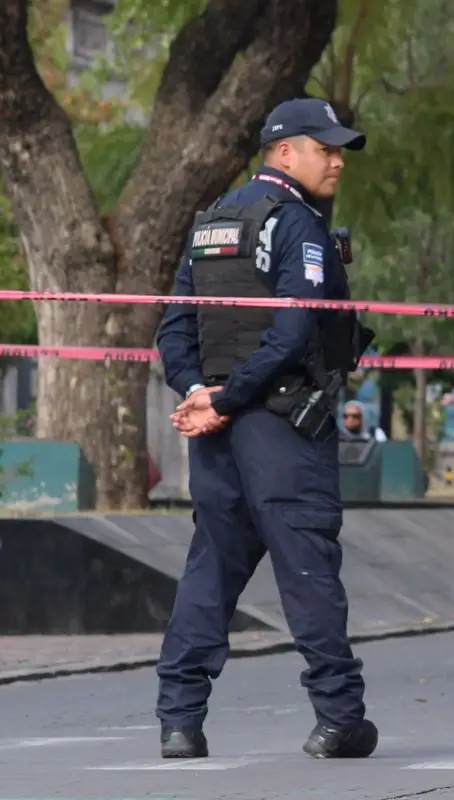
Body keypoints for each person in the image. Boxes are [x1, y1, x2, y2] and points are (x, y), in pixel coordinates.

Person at [155, 98, 377, 761]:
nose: (337, 161)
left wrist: (199, 392)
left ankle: (179, 721)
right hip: (279, 426)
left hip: (220, 435)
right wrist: (229, 398)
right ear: (285, 152)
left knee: (211, 571)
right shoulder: (296, 224)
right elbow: (294, 327)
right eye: (325, 148)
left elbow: (174, 327)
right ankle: (339, 717)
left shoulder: (212, 224)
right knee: (307, 565)